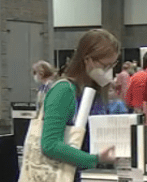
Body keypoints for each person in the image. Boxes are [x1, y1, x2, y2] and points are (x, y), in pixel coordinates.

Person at [41, 29, 117, 172]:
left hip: (92, 178)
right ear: (88, 60)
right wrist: (94, 160)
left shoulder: (97, 91)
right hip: (67, 180)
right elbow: (50, 145)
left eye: (113, 65)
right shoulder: (63, 90)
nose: (109, 71)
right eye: (105, 65)